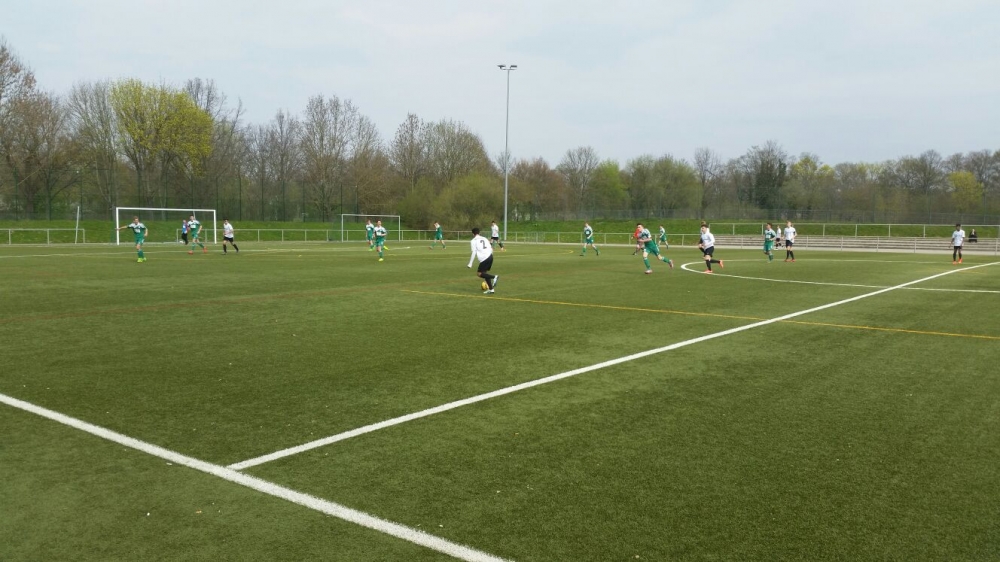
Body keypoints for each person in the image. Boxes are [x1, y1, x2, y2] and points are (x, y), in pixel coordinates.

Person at [468, 227, 498, 294]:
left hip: (484, 258)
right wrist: (490, 255)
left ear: (473, 234)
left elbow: (474, 252)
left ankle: (494, 277)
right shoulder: (484, 238)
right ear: (479, 233)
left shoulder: (473, 241)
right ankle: (491, 289)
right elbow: (490, 247)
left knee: (479, 274)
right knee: (484, 273)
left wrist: (470, 263)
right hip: (490, 256)